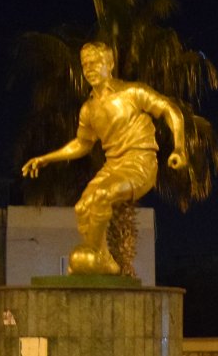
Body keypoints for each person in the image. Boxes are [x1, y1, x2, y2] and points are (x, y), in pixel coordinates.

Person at [21, 41, 187, 276]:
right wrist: (46, 158)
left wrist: (179, 148)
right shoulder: (88, 109)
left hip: (140, 163)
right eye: (85, 64)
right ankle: (104, 260)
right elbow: (82, 143)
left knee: (102, 195)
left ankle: (92, 252)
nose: (89, 69)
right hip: (113, 166)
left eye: (95, 63)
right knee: (82, 208)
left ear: (109, 64)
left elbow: (170, 110)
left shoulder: (131, 92)